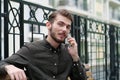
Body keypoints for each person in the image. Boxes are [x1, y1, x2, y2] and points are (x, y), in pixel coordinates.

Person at [0, 9, 87, 80]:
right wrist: (9, 67)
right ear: (49, 25)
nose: (64, 29)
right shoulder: (31, 49)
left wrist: (75, 57)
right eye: (60, 24)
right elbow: (3, 63)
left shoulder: (69, 52)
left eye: (68, 27)